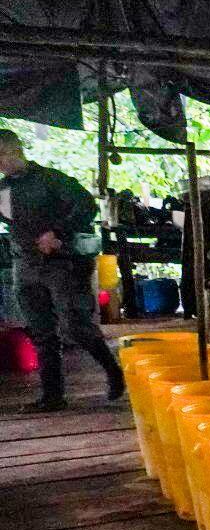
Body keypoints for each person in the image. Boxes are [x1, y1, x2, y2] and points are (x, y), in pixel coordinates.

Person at [0, 129, 123, 412]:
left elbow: (87, 206)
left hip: (62, 264)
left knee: (74, 326)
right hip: (25, 264)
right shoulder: (3, 189)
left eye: (1, 157)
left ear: (13, 152)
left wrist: (57, 232)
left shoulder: (51, 180)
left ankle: (112, 369)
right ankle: (52, 396)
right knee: (41, 332)